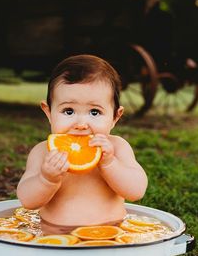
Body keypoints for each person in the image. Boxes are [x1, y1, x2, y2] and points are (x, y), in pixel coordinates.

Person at [17, 54, 148, 226]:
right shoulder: (43, 152)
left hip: (109, 235)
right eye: (69, 111)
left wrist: (109, 164)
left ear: (115, 117)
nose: (80, 124)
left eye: (95, 112)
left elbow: (136, 191)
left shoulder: (117, 148)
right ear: (49, 113)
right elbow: (27, 201)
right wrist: (46, 179)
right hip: (55, 235)